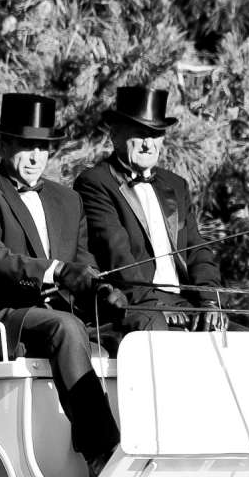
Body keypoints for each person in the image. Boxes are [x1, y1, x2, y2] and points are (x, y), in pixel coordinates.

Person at [0, 91, 122, 477]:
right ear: (4, 144)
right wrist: (55, 271)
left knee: (136, 333)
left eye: (42, 149)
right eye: (26, 147)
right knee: (64, 326)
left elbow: (84, 264)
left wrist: (101, 289)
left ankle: (152, 453)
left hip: (55, 314)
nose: (34, 158)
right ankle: (101, 453)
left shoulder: (68, 201)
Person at [74, 86, 224, 332]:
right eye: (139, 134)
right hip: (136, 303)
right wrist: (153, 305)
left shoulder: (176, 185)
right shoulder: (96, 182)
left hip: (187, 302)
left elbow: (198, 251)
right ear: (116, 136)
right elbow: (116, 254)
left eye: (155, 134)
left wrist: (209, 302)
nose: (148, 144)